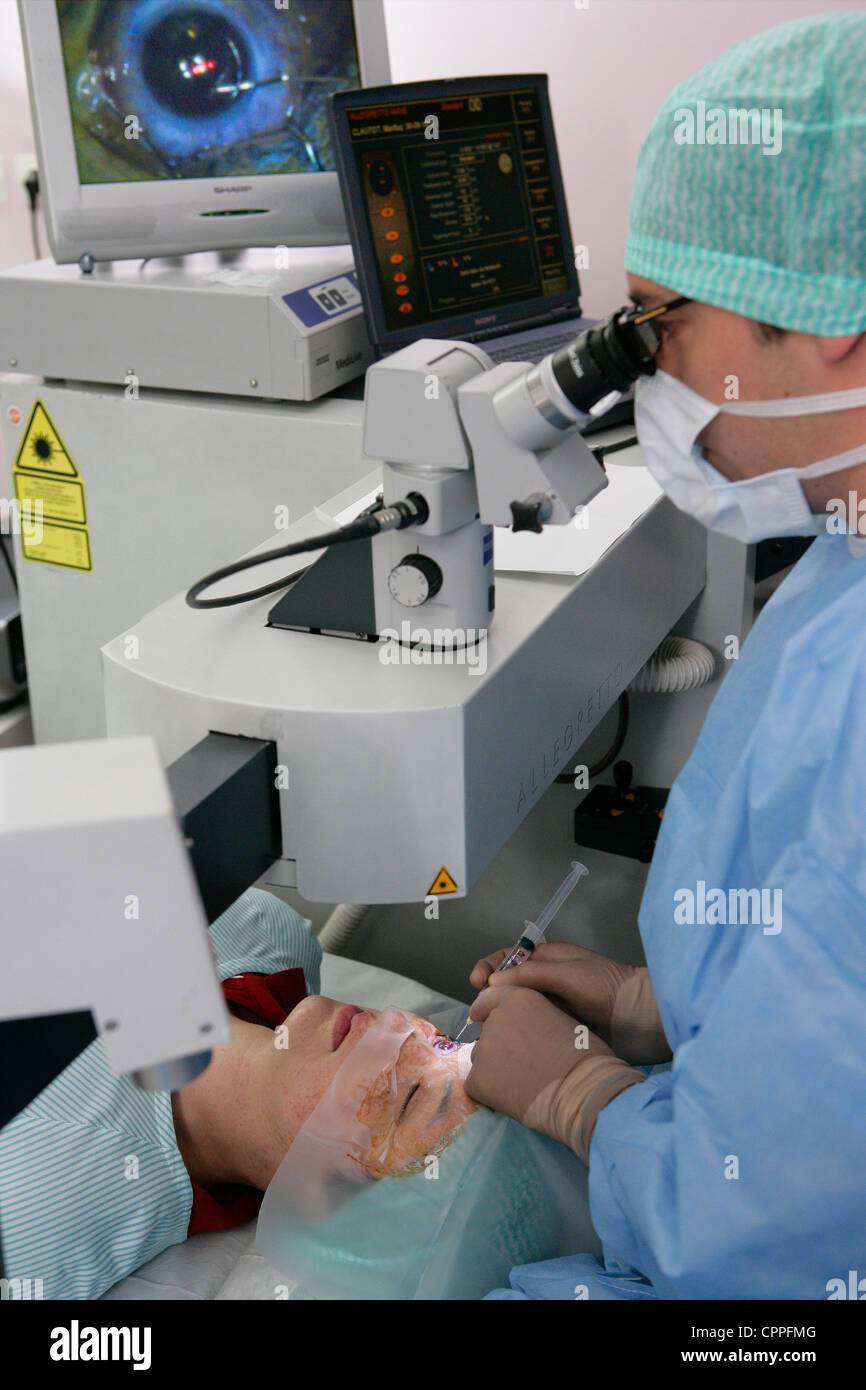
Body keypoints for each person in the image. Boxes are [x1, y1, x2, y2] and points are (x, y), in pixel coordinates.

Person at [462, 10, 866, 1300]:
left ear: (832, 321)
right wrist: (660, 999)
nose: (648, 378)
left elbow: (764, 1248)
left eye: (657, 324)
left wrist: (587, 1098)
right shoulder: (845, 554)